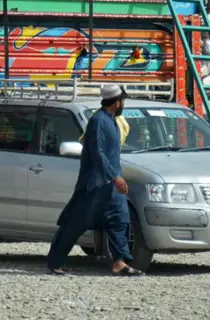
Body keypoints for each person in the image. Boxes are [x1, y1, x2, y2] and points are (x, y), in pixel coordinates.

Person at [47, 84, 141, 276]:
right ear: (117, 102)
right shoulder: (98, 121)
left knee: (120, 219)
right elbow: (98, 153)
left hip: (111, 187)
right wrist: (115, 177)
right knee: (75, 224)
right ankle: (55, 262)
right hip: (94, 185)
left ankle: (119, 262)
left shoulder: (113, 120)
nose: (124, 104)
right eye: (122, 100)